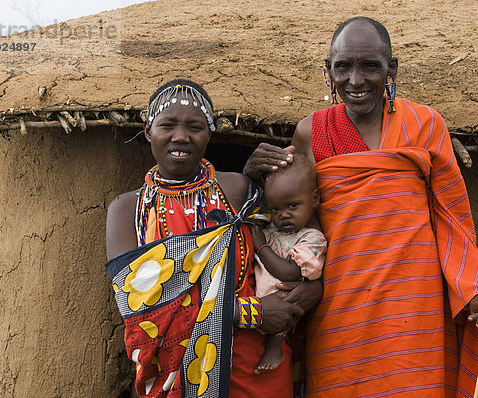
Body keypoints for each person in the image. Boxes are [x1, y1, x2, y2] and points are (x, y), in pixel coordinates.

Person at [244, 17, 478, 398]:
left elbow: (450, 219)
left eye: (369, 66)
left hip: (415, 305)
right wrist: (252, 178)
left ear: (391, 69)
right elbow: (290, 213)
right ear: (327, 70)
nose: (355, 80)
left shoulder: (424, 124)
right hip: (339, 305)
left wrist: (474, 290)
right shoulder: (311, 132)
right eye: (343, 67)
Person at [105, 79, 321, 398]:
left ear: (210, 134)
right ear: (149, 130)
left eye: (195, 126)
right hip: (178, 371)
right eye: (167, 125)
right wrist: (252, 312)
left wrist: (312, 286)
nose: (181, 136)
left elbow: (296, 237)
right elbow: (139, 306)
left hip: (257, 362)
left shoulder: (235, 189)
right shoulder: (128, 210)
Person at [249, 154, 326, 374]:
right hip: (259, 303)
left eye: (293, 206)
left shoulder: (312, 239)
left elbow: (290, 273)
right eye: (275, 209)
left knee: (286, 307)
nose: (284, 215)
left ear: (315, 199)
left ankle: (275, 348)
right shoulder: (274, 230)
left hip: (283, 297)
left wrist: (261, 248)